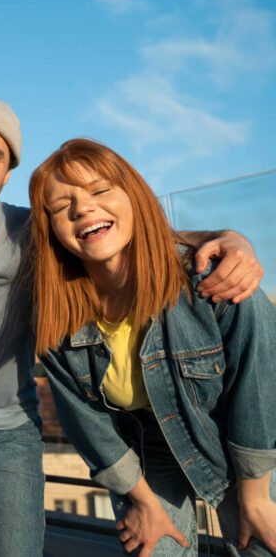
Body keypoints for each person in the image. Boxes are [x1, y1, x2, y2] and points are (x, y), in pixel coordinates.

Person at [0, 92, 265, 557]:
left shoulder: (36, 236)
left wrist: (225, 237)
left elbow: (117, 233)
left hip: (14, 431)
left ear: (6, 172)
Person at [30, 138, 276, 556]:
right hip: (143, 453)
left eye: (100, 190)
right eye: (60, 206)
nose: (82, 208)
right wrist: (141, 501)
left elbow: (259, 383)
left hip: (241, 438)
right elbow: (88, 425)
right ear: (51, 228)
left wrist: (254, 497)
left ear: (134, 195)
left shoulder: (214, 281)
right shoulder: (56, 315)